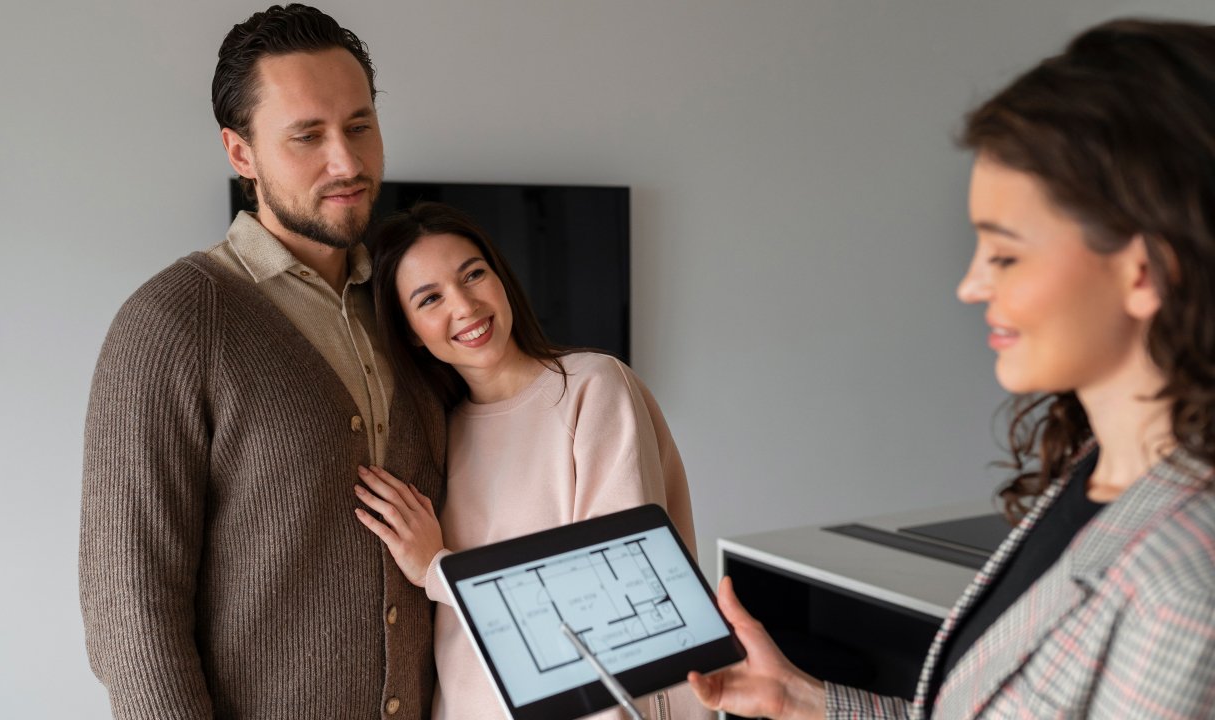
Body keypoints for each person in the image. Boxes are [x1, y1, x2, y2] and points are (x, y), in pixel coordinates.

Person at [687, 17, 1215, 720]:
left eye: (1004, 255)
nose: (969, 286)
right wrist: (801, 700)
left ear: (1147, 270)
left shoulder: (1186, 584)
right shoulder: (1098, 472)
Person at [79, 5, 444, 718]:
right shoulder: (174, 322)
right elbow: (130, 613)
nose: (347, 162)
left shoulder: (407, 307)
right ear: (240, 153)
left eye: (360, 126)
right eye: (307, 136)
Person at [349, 201, 711, 719]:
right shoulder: (437, 434)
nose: (465, 306)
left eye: (473, 274)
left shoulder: (595, 387)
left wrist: (437, 568)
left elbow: (619, 596)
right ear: (409, 330)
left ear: (501, 277)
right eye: (430, 298)